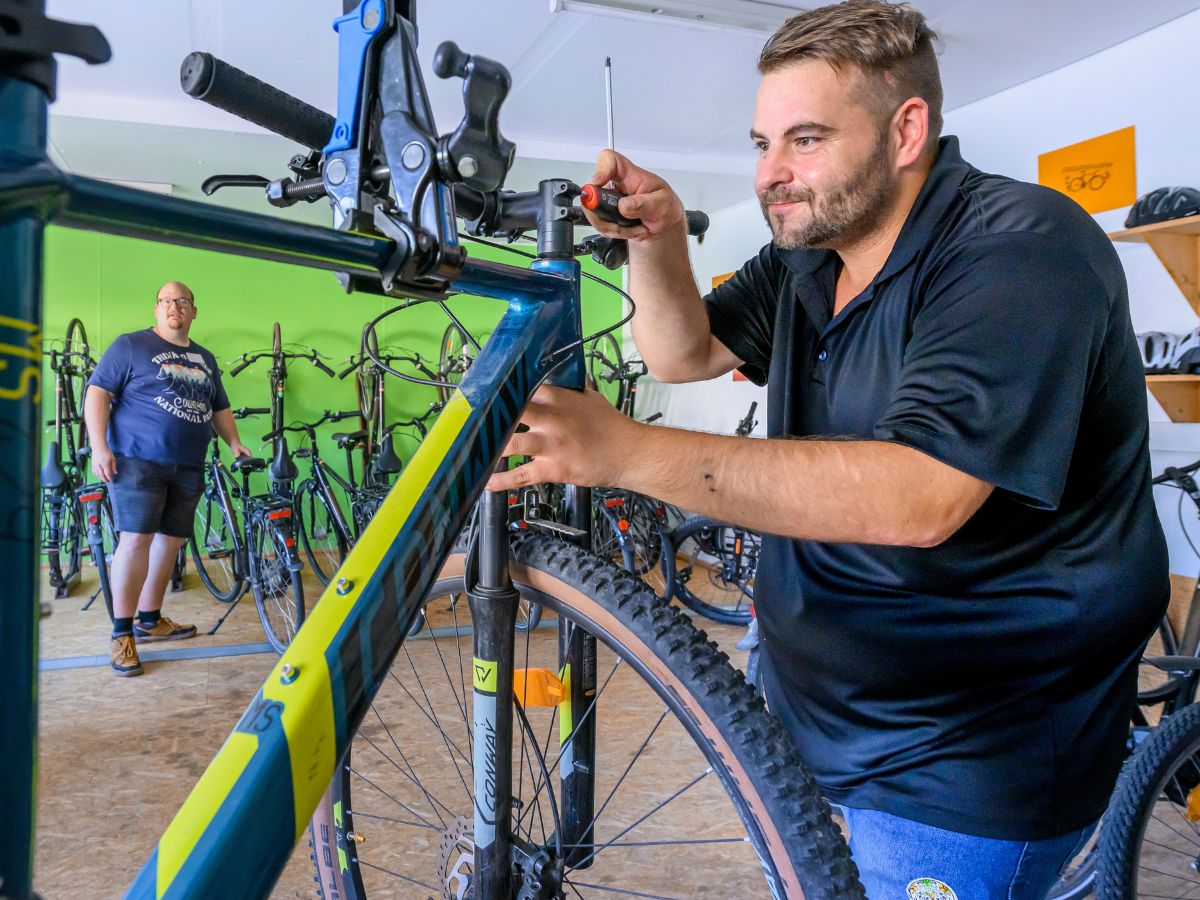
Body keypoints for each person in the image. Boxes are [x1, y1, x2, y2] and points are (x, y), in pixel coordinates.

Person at [487, 1, 1169, 896]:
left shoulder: (1018, 250)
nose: (771, 174)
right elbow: (685, 351)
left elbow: (920, 496)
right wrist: (657, 238)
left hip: (960, 758)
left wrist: (625, 452)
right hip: (807, 713)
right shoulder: (812, 253)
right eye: (762, 143)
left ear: (906, 131)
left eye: (805, 140)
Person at [84, 281, 250, 677]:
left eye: (182, 301)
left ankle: (149, 618)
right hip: (137, 461)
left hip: (188, 464)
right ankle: (122, 634)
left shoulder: (205, 358)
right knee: (135, 539)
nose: (174, 306)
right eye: (166, 301)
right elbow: (97, 393)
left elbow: (219, 407)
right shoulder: (130, 346)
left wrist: (234, 443)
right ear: (156, 309)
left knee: (172, 541)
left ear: (194, 311)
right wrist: (99, 447)